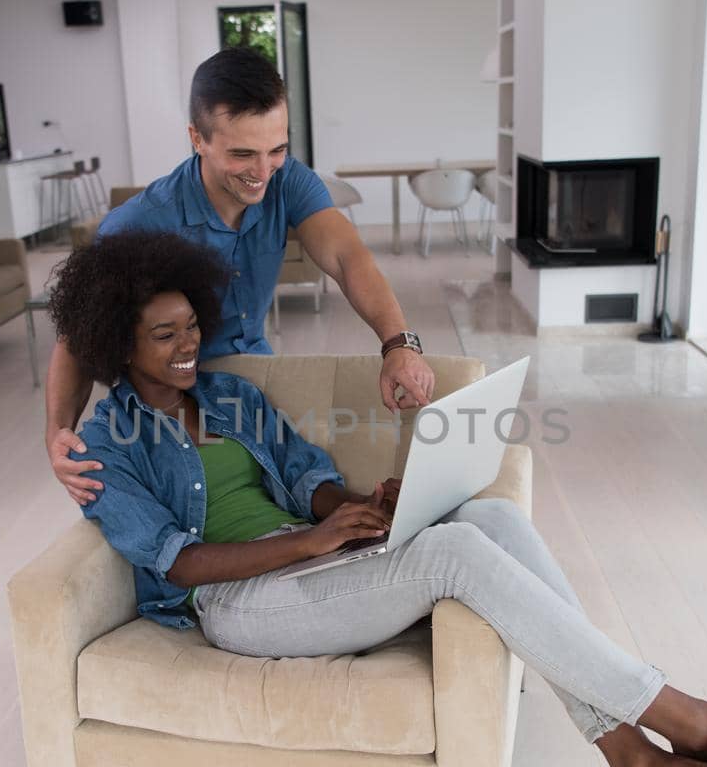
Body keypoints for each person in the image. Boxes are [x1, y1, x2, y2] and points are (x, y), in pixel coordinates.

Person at [46, 231, 707, 767]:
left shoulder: (229, 396)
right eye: (164, 335)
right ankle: (682, 719)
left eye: (191, 325)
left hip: (308, 565)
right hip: (241, 606)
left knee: (487, 512)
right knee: (456, 551)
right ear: (118, 342)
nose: (188, 345)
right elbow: (179, 564)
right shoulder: (106, 448)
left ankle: (635, 762)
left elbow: (303, 479)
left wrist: (364, 506)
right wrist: (313, 543)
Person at [46, 47, 436, 506]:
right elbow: (79, 337)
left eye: (277, 149)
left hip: (254, 375)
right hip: (178, 398)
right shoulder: (141, 223)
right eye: (243, 153)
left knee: (317, 480)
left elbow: (348, 257)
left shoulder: (288, 180)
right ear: (197, 138)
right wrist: (58, 432)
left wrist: (398, 344)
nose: (263, 170)